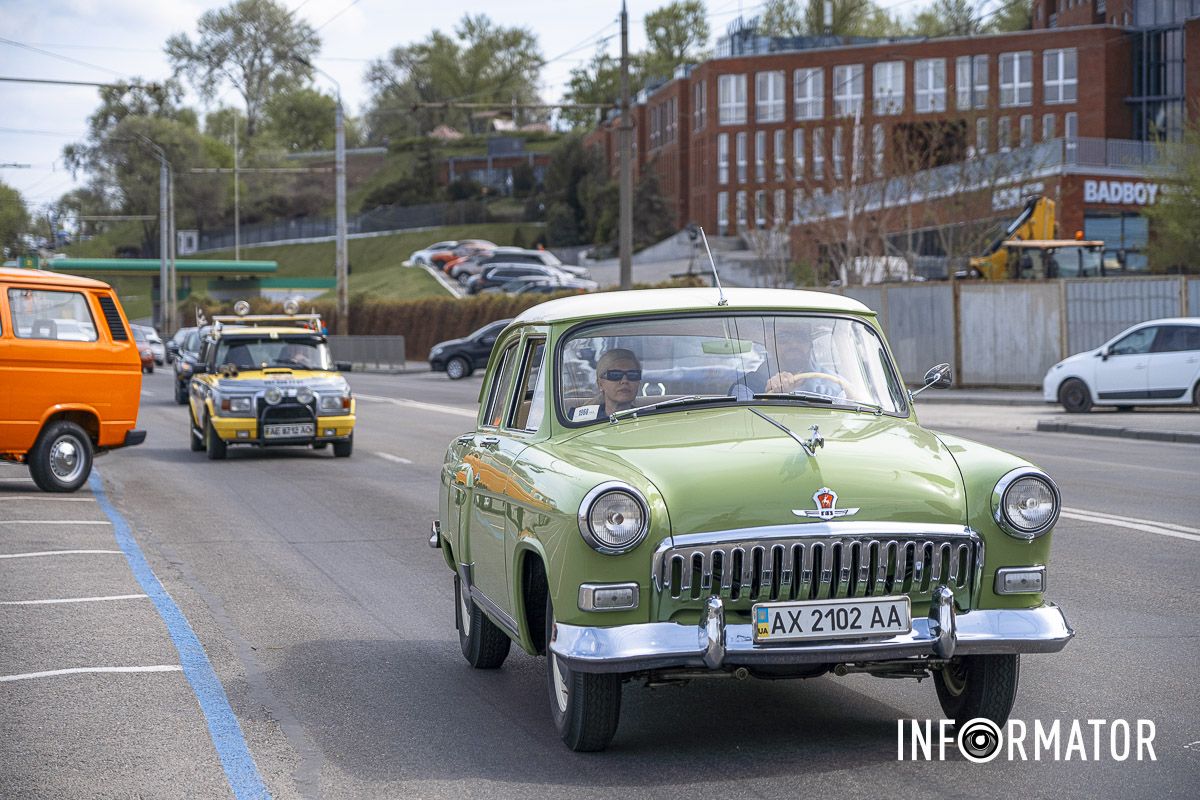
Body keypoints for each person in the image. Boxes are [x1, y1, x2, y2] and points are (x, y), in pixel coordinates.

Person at [590, 348, 641, 417]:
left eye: (632, 375)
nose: (624, 381)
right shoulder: (579, 420)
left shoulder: (650, 419)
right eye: (615, 375)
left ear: (638, 383)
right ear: (600, 384)